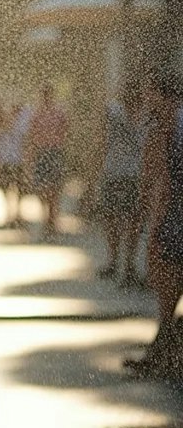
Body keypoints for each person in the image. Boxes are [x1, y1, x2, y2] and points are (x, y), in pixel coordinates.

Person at [125, 73, 183, 378]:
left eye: (151, 94)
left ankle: (163, 354)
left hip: (173, 216)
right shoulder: (171, 123)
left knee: (166, 283)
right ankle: (165, 352)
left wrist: (153, 220)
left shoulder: (165, 126)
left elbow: (158, 179)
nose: (147, 101)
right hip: (173, 214)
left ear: (163, 96)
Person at [96, 86, 147, 288]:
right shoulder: (114, 112)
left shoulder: (118, 112)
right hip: (124, 174)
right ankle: (122, 264)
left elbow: (100, 142)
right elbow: (101, 140)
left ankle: (121, 263)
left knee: (124, 220)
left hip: (125, 174)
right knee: (119, 220)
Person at [25, 84, 70, 237]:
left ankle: (52, 220)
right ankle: (47, 218)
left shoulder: (58, 113)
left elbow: (65, 132)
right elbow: (32, 135)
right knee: (43, 188)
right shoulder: (36, 114)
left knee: (54, 188)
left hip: (54, 151)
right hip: (42, 152)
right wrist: (31, 156)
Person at [0, 102, 31, 228]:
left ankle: (17, 213)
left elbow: (26, 142)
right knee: (6, 187)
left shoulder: (20, 125)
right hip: (5, 160)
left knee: (18, 187)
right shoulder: (1, 125)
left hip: (17, 160)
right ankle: (9, 212)